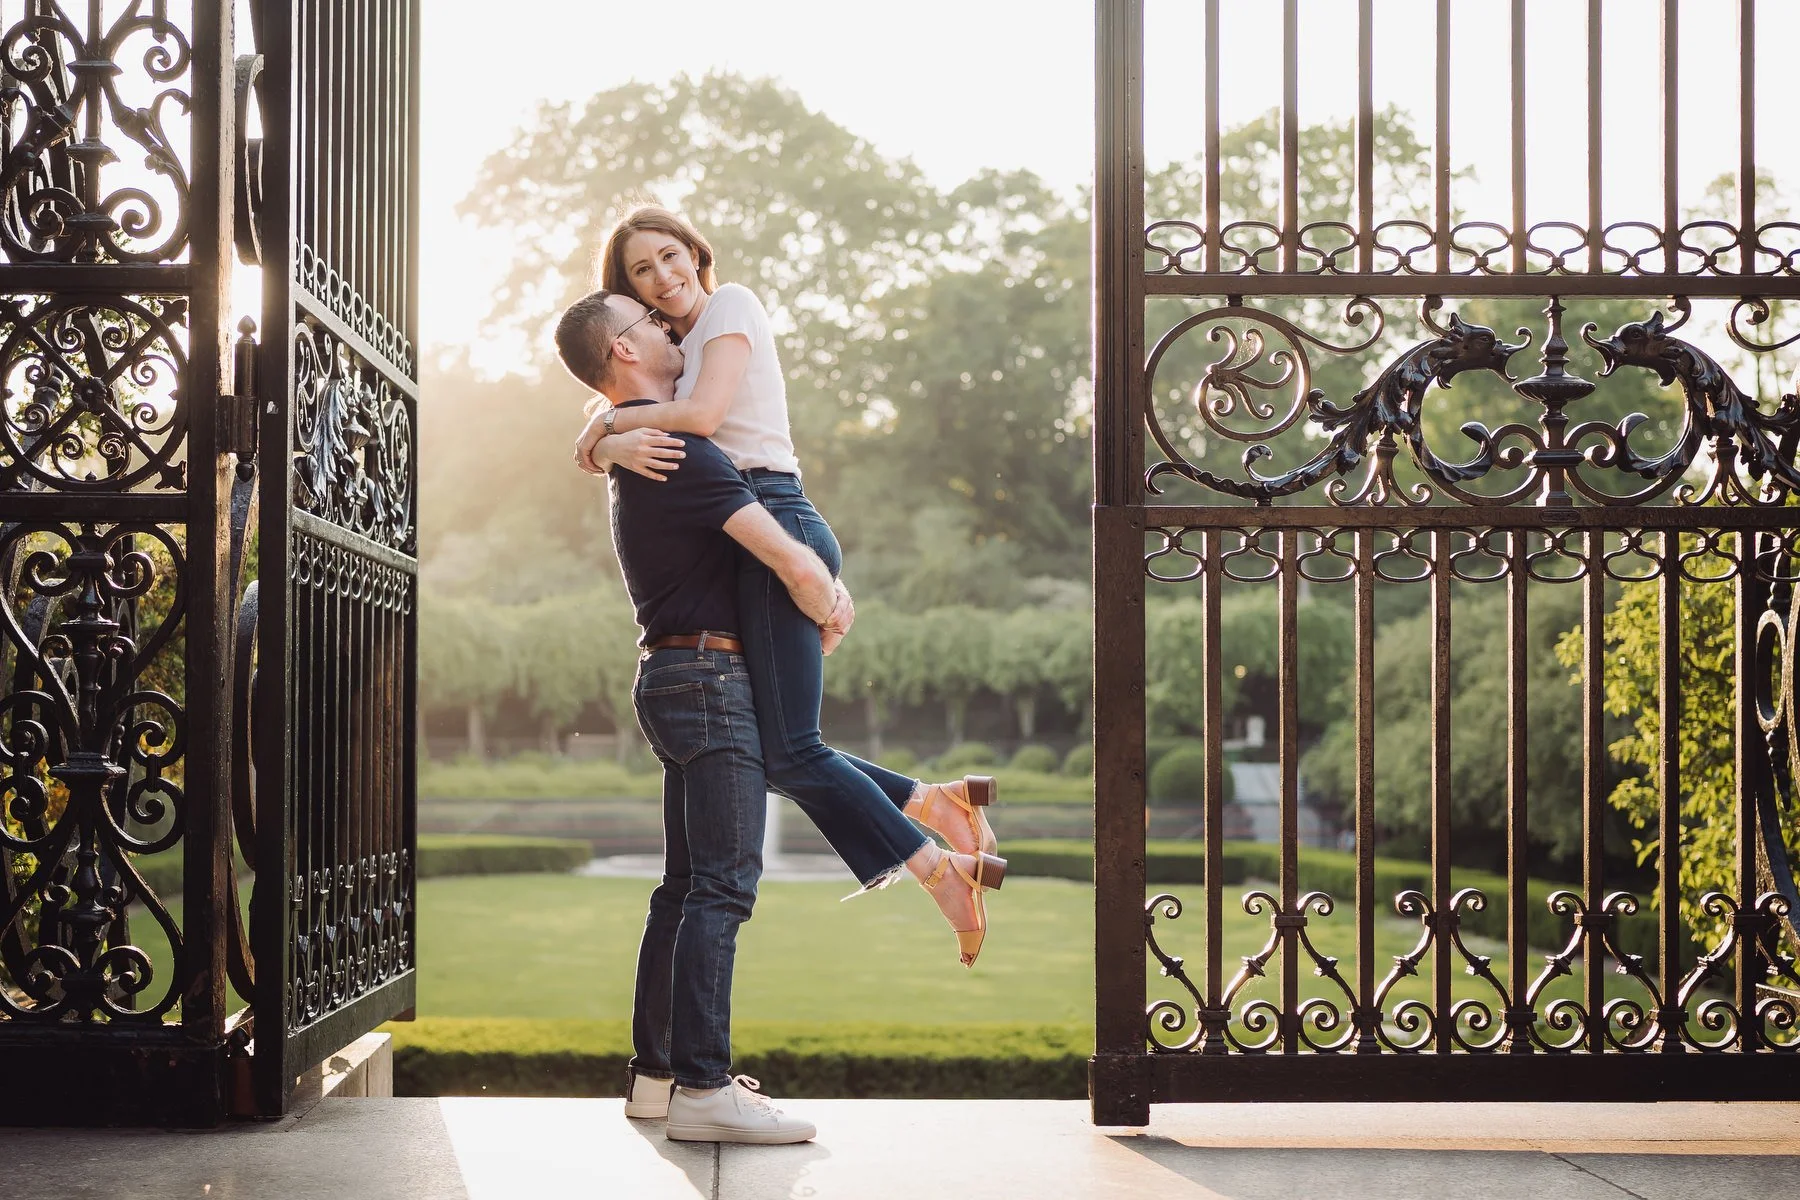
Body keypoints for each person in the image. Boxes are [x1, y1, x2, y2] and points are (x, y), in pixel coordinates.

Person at [572, 206, 1004, 967]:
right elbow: (668, 413)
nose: (664, 277)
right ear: (631, 308)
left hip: (774, 513)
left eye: (670, 256)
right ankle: (936, 807)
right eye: (643, 272)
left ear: (695, 251)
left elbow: (703, 418)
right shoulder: (674, 350)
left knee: (793, 750)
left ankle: (939, 868)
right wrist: (608, 430)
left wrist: (604, 430)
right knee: (773, 751)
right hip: (750, 529)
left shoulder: (730, 304)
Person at [553, 287, 824, 1142]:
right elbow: (791, 563)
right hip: (710, 680)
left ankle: (657, 1077)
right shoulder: (678, 449)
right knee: (722, 887)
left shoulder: (637, 447)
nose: (671, 329)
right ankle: (706, 1092)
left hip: (672, 677)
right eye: (650, 325)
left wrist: (598, 435)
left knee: (680, 888)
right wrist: (831, 597)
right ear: (623, 352)